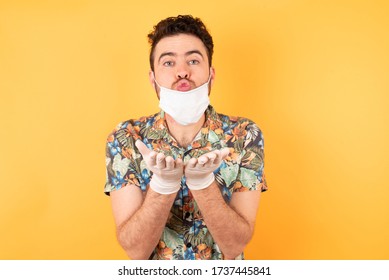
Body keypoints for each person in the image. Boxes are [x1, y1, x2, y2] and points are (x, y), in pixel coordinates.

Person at [104, 15, 267, 260]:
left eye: (193, 60)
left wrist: (203, 184)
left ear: (211, 76)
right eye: (168, 63)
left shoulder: (245, 135)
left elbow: (234, 246)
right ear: (153, 80)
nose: (182, 72)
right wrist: (163, 186)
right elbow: (135, 251)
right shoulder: (126, 138)